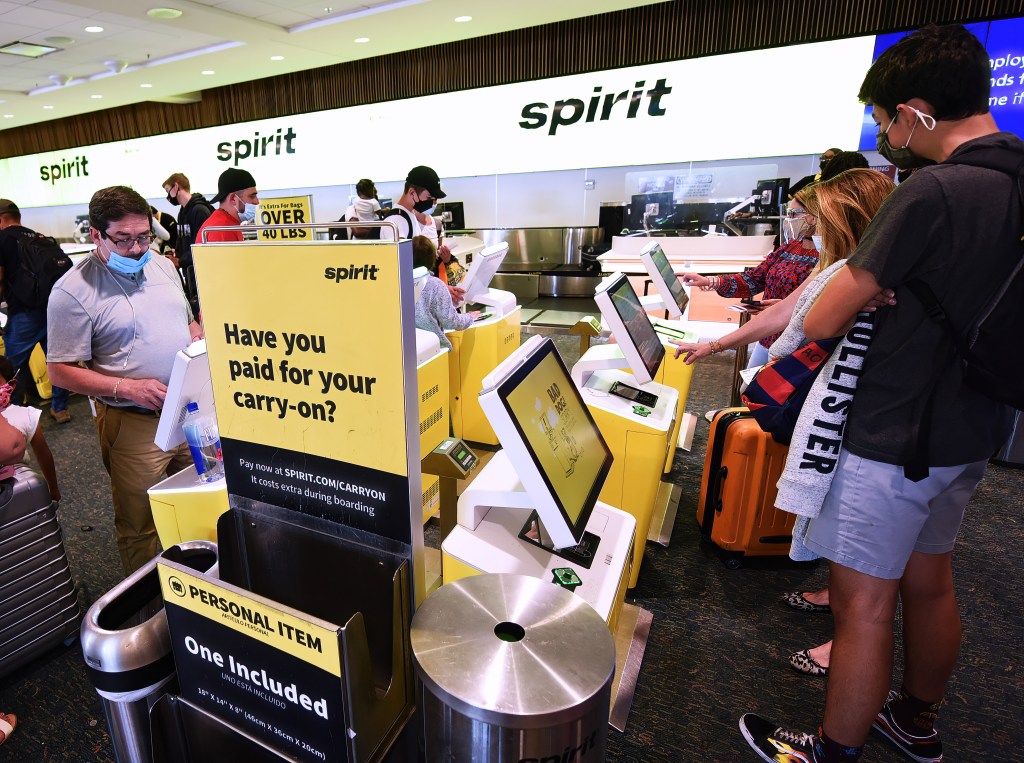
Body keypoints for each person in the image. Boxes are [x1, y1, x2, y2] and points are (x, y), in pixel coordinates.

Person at [740, 24, 1022, 763]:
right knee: (931, 581)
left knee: (863, 603)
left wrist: (871, 291)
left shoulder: (930, 191)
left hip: (892, 432)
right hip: (971, 430)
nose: (886, 133)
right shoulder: (1017, 180)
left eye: (889, 117)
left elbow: (827, 311)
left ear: (920, 112)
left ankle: (830, 751)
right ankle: (916, 720)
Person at [47, 186, 201, 576]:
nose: (137, 249)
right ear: (96, 235)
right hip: (134, 422)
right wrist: (126, 388)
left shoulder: (163, 266)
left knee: (200, 498)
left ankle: (205, 584)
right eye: (123, 239)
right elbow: (60, 371)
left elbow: (187, 320)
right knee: (139, 524)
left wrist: (198, 335)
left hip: (190, 409)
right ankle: (150, 605)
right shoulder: (72, 291)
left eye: (144, 236)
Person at [679, 198, 820, 367]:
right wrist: (711, 281)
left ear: (813, 217)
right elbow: (754, 278)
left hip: (799, 348)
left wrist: (787, 309)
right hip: (767, 337)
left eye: (793, 214)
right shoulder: (790, 246)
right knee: (748, 390)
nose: (788, 219)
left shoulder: (829, 256)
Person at [0, 199, 73, 424]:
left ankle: (15, 414)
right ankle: (59, 408)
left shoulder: (3, 240)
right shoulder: (38, 237)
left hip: (25, 314)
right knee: (57, 360)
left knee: (13, 365)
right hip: (54, 310)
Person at [381, 166, 465, 304]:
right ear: (412, 192)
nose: (433, 203)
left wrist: (441, 289)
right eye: (429, 197)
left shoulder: (409, 216)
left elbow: (417, 271)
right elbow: (404, 271)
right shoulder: (396, 221)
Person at [0, 356, 60, 501]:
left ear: (11, 385)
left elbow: (43, 453)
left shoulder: (26, 415)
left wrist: (53, 488)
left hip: (18, 491)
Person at [412, 236, 477, 350]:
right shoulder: (436, 285)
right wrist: (469, 317)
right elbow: (451, 321)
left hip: (409, 347)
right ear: (432, 258)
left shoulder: (398, 282)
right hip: (434, 348)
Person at [162, 173, 213, 309]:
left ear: (176, 186)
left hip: (201, 276)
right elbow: (182, 238)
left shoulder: (199, 210)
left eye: (168, 191)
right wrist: (176, 255)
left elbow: (203, 246)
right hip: (189, 274)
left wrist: (180, 260)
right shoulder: (182, 212)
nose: (168, 196)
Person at [197, 168, 260, 244]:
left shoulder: (225, 224)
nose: (257, 201)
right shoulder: (223, 230)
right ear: (233, 199)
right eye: (252, 196)